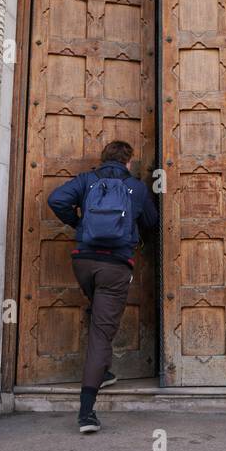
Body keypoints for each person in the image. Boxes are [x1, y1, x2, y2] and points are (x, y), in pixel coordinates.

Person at [47, 140, 158, 433]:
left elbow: (56, 199)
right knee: (101, 330)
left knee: (98, 314)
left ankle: (103, 370)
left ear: (103, 158)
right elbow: (152, 220)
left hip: (82, 261)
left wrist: (79, 224)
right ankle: (86, 414)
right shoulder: (136, 187)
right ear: (129, 162)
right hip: (115, 266)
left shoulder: (87, 180)